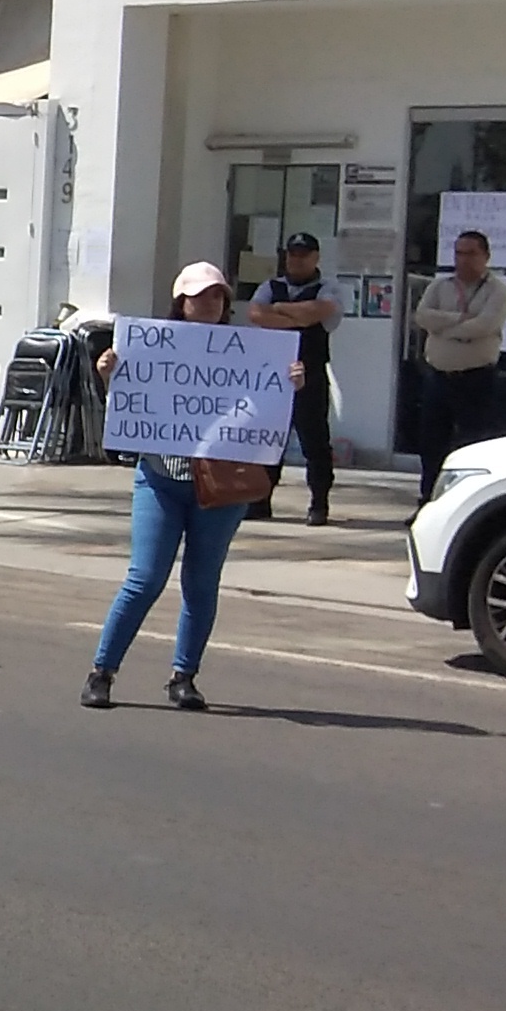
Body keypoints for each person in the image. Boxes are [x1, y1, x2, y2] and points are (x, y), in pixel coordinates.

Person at [84, 261, 298, 712]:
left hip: (219, 488)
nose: (210, 303)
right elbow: (131, 411)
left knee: (201, 584)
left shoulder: (250, 352)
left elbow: (265, 406)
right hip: (161, 480)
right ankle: (102, 671)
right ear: (181, 303)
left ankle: (184, 676)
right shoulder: (152, 348)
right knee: (144, 579)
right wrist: (110, 375)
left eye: (217, 296)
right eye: (200, 296)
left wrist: (290, 382)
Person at [410, 226, 506, 503]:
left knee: (472, 444)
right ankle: (427, 500)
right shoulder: (440, 286)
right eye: (458, 253)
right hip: (438, 377)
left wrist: (443, 328)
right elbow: (421, 316)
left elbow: (484, 325)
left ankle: (469, 503)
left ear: (486, 256)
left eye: (471, 253)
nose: (463, 259)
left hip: (476, 378)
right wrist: (458, 318)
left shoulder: (497, 290)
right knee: (432, 444)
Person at [246, 229, 342, 523]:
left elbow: (320, 312)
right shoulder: (270, 285)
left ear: (316, 257)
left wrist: (280, 310)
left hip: (311, 375)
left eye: (304, 255)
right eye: (292, 254)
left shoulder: (328, 287)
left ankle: (319, 503)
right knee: (269, 439)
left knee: (315, 442)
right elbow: (256, 315)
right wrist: (295, 316)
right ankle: (260, 500)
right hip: (273, 376)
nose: (297, 260)